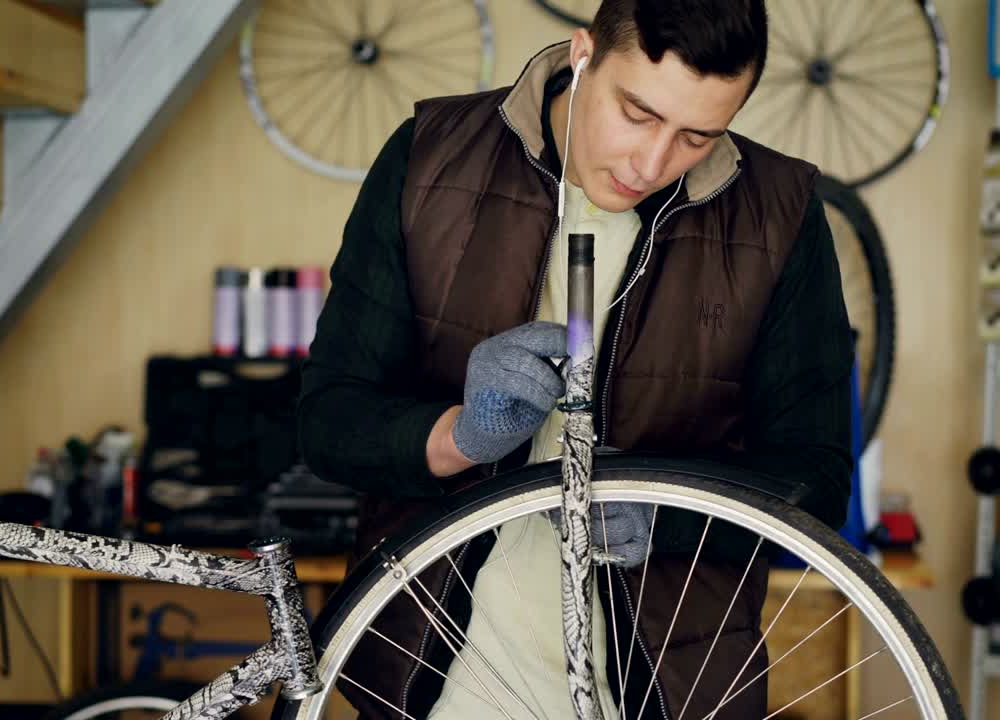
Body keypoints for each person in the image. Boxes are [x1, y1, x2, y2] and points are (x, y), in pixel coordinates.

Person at [296, 1, 853, 717]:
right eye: (636, 113)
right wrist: (457, 434)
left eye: (697, 136)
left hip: (668, 691)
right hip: (442, 685)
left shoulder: (780, 213)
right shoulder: (430, 159)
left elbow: (819, 478)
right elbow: (327, 420)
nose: (650, 163)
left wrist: (666, 513)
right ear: (584, 52)